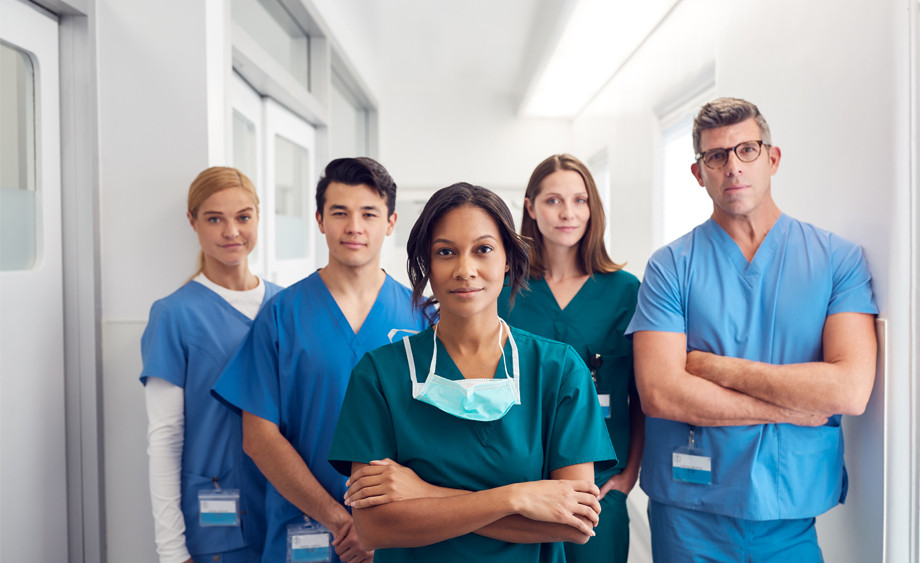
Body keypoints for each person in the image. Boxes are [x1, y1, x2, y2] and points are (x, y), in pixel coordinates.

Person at [626, 98, 878, 562]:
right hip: (688, 516)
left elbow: (849, 389)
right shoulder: (670, 267)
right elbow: (662, 393)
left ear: (772, 158)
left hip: (790, 515)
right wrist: (793, 409)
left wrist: (716, 368)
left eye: (746, 150)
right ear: (698, 173)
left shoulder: (836, 260)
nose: (732, 167)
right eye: (716, 156)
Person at [326, 182, 617, 563]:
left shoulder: (558, 370)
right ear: (426, 265)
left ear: (508, 259)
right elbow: (374, 528)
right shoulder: (379, 375)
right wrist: (517, 497)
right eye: (445, 252)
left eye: (483, 249)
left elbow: (573, 524)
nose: (465, 270)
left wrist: (424, 494)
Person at [212, 157, 427, 563]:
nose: (354, 227)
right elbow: (258, 437)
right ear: (319, 219)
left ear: (392, 221)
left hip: (400, 536)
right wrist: (341, 523)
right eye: (340, 213)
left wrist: (380, 528)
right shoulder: (282, 314)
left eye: (369, 213)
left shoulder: (422, 318)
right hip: (305, 533)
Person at [498, 154, 643, 563]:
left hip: (599, 488)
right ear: (530, 207)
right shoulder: (505, 290)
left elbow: (641, 394)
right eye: (553, 201)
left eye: (580, 201)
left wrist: (629, 474)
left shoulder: (624, 292)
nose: (568, 213)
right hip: (518, 486)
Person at [141, 167, 282, 563]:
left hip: (288, 514)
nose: (231, 231)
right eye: (214, 218)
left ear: (257, 216)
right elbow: (165, 439)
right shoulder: (173, 315)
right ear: (193, 221)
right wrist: (171, 549)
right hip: (215, 526)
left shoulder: (287, 306)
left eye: (242, 217)